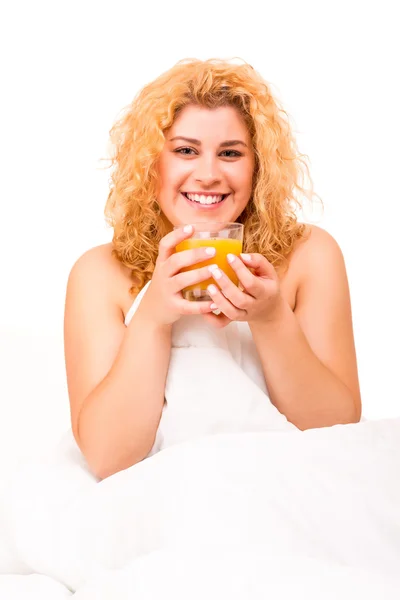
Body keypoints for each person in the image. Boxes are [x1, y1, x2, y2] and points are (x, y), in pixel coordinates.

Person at [64, 58, 361, 480]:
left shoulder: (310, 255)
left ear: (257, 168)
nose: (208, 174)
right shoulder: (99, 273)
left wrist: (272, 318)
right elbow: (109, 459)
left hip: (287, 489)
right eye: (186, 150)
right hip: (158, 501)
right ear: (151, 164)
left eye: (230, 154)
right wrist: (152, 318)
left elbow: (338, 431)